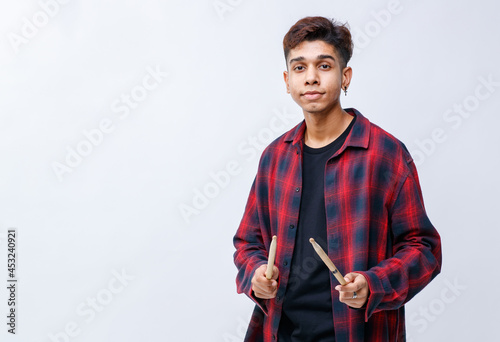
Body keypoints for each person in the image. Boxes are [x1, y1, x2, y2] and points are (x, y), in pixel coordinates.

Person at [232, 16, 442, 342]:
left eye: (324, 66)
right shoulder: (274, 157)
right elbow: (248, 243)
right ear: (287, 81)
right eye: (300, 68)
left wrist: (373, 284)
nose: (311, 78)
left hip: (358, 333)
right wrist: (256, 274)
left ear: (345, 76)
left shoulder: (385, 154)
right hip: (280, 333)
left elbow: (424, 250)